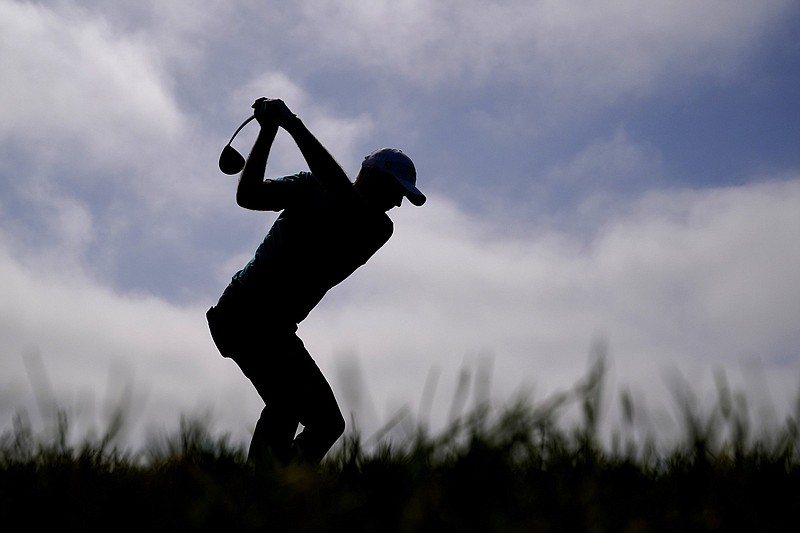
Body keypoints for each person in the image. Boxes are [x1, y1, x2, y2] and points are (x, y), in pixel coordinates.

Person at [206, 98, 425, 470]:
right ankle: (265, 493)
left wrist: (291, 123)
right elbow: (249, 195)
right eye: (395, 192)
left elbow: (341, 191)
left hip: (268, 324)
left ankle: (271, 490)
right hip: (243, 310)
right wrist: (269, 131)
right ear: (371, 177)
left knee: (318, 419)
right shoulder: (310, 186)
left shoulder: (376, 228)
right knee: (297, 408)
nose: (398, 205)